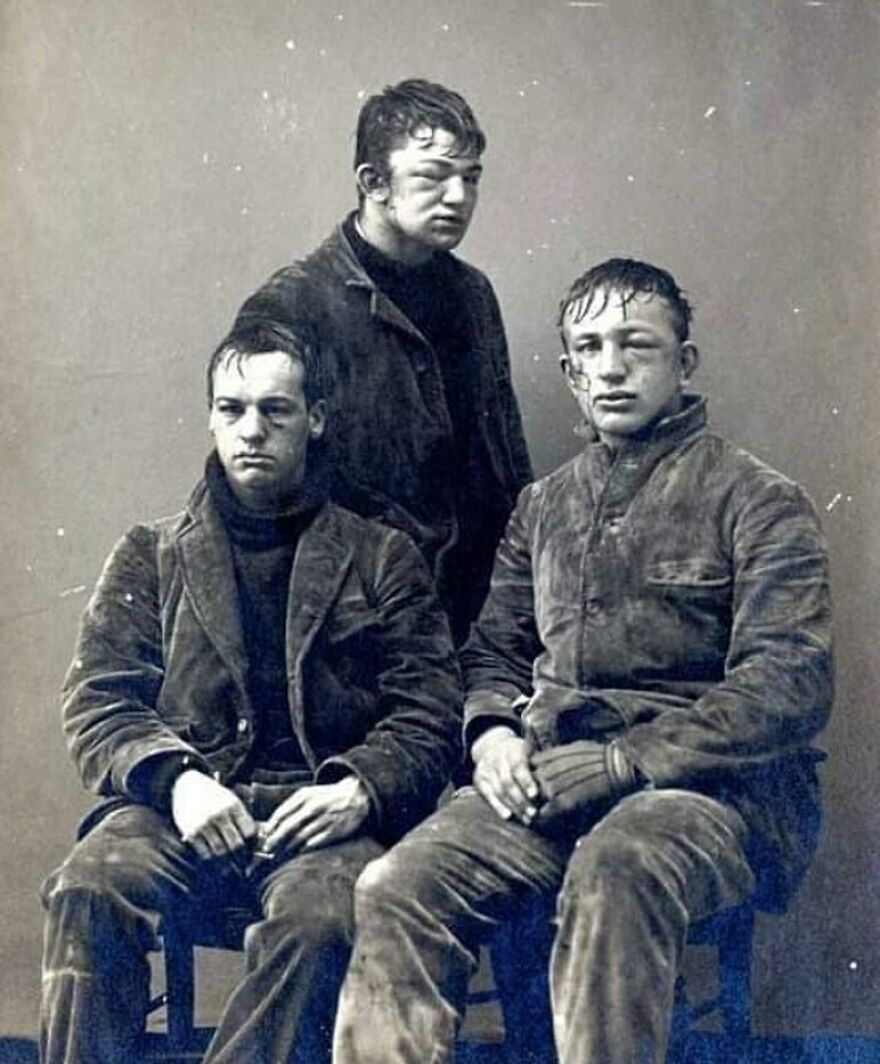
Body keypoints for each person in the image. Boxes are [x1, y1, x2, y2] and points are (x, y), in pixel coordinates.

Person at [332, 258, 833, 1063]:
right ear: (568, 372)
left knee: (617, 868)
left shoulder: (759, 500)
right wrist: (493, 735)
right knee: (397, 884)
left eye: (636, 344)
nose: (611, 366)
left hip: (707, 795)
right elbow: (493, 650)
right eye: (590, 348)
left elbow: (788, 684)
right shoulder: (543, 507)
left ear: (684, 362)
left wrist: (622, 761)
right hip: (547, 784)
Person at [39, 319, 462, 1064]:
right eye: (232, 409)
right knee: (88, 886)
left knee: (325, 920)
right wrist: (178, 783)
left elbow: (430, 711)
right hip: (186, 810)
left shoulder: (382, 556)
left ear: (316, 419)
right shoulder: (153, 553)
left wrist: (360, 790)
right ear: (210, 416)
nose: (252, 431)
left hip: (320, 819)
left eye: (276, 410)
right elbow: (98, 702)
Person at [232, 78, 532, 643]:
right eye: (433, 176)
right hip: (359, 627)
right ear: (373, 182)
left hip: (482, 617)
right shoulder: (292, 306)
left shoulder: (473, 295)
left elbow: (507, 462)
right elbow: (262, 490)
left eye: (470, 178)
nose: (458, 197)